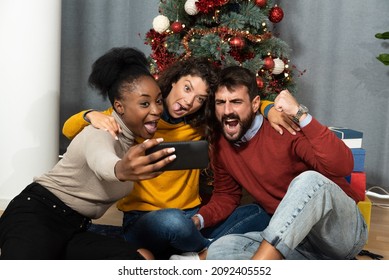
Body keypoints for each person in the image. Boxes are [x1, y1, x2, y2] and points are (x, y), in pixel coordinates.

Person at [62, 59, 300, 259]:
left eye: (199, 98)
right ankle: (206, 252)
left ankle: (191, 254)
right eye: (187, 88)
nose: (189, 102)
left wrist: (268, 108)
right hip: (145, 219)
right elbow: (68, 129)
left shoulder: (201, 125)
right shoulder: (137, 116)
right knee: (172, 222)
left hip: (192, 217)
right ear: (174, 81)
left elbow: (241, 107)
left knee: (260, 212)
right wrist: (89, 115)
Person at [0, 47, 176, 260]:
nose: (156, 110)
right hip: (38, 215)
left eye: (158, 101)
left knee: (142, 259)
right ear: (119, 107)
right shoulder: (100, 131)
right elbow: (103, 162)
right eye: (144, 103)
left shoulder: (134, 144)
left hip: (76, 229)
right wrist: (121, 168)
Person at [187, 65, 367, 260]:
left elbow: (343, 166)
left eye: (236, 102)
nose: (227, 110)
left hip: (339, 233)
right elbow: (226, 195)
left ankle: (260, 266)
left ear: (256, 104)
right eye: (220, 102)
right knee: (220, 249)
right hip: (298, 244)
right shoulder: (220, 143)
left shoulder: (284, 127)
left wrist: (301, 114)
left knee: (310, 180)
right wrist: (199, 220)